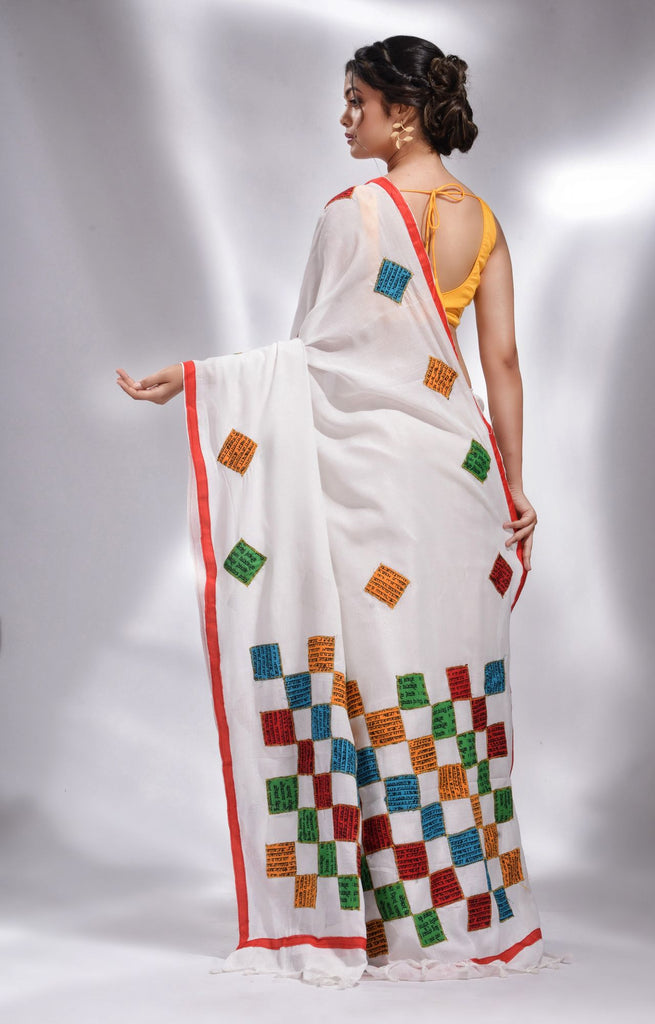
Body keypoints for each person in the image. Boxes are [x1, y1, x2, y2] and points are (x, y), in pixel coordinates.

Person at [118, 36, 542, 986]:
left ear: (404, 112)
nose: (345, 118)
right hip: (459, 482)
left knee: (371, 677)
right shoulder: (483, 221)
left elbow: (319, 359)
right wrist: (515, 484)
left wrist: (199, 380)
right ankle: (455, 910)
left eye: (358, 101)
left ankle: (374, 916)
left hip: (372, 480)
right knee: (438, 687)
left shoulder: (356, 213)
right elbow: (503, 363)